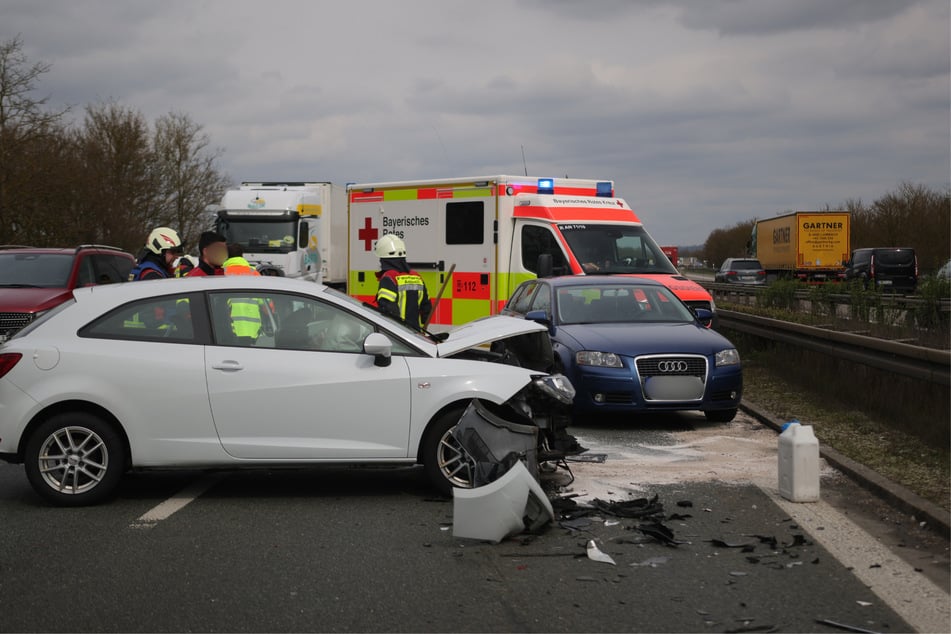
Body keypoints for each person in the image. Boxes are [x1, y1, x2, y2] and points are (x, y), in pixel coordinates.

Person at [374, 234, 432, 330]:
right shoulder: (416, 277)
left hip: (399, 333)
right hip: (415, 331)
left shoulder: (389, 278)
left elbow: (389, 309)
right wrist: (423, 324)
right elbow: (427, 307)